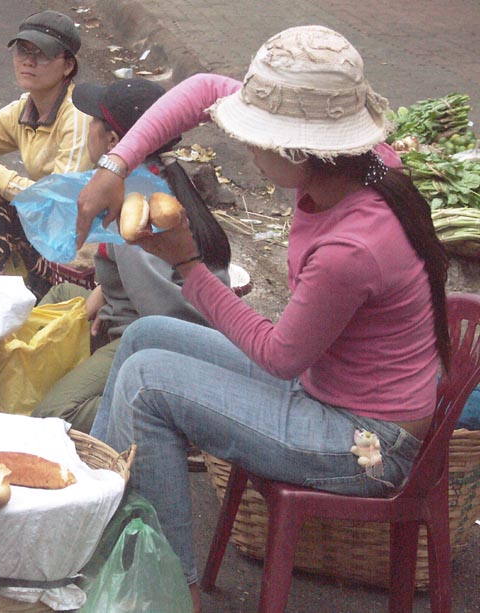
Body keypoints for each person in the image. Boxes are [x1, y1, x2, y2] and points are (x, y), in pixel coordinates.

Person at [75, 25, 450, 612]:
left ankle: (172, 590)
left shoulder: (353, 247)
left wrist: (189, 267)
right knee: (145, 336)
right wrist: (116, 165)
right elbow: (201, 90)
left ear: (299, 149)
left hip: (364, 441)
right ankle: (88, 520)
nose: (248, 148)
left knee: (149, 385)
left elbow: (279, 355)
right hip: (323, 389)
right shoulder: (365, 162)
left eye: (257, 140)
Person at [30, 78, 230, 433]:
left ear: (112, 141)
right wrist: (106, 291)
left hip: (155, 337)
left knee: (54, 414)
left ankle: (166, 424)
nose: (87, 128)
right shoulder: (158, 172)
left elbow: (165, 313)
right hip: (135, 314)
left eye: (93, 121)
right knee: (62, 296)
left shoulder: (137, 205)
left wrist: (114, 322)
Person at [0, 10, 94, 297]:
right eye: (23, 50)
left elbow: (60, 200)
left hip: (81, 242)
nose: (29, 61)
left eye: (43, 54)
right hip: (45, 228)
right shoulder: (23, 109)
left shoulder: (78, 115)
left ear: (67, 66)